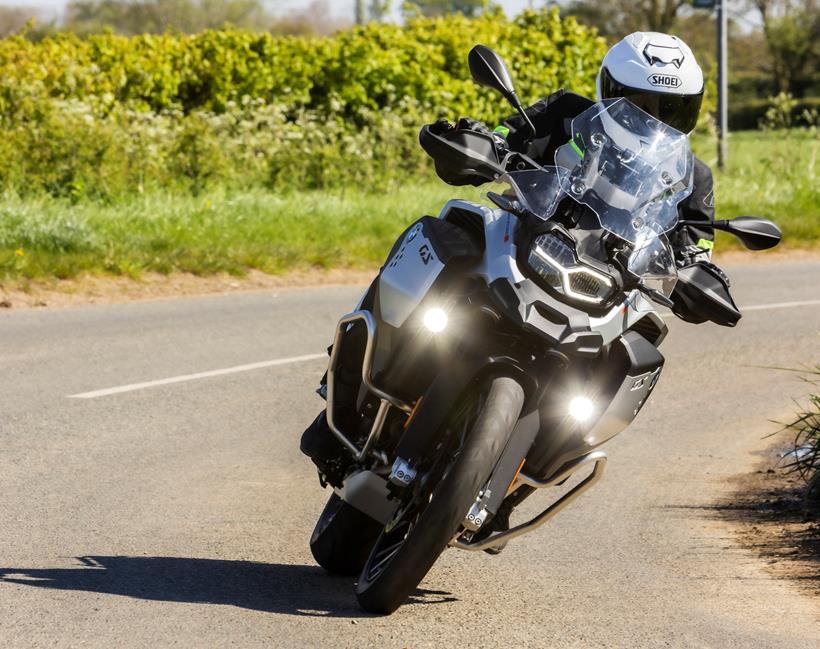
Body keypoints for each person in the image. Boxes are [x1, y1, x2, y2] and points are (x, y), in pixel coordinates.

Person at [301, 31, 716, 476]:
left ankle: (536, 464)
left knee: (640, 343)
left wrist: (701, 273)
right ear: (610, 89)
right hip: (525, 237)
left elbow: (697, 245)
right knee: (445, 236)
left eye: (673, 108)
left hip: (606, 281)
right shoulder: (565, 113)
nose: (656, 120)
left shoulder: (691, 176)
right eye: (641, 104)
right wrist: (477, 142)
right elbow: (505, 136)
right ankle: (350, 377)